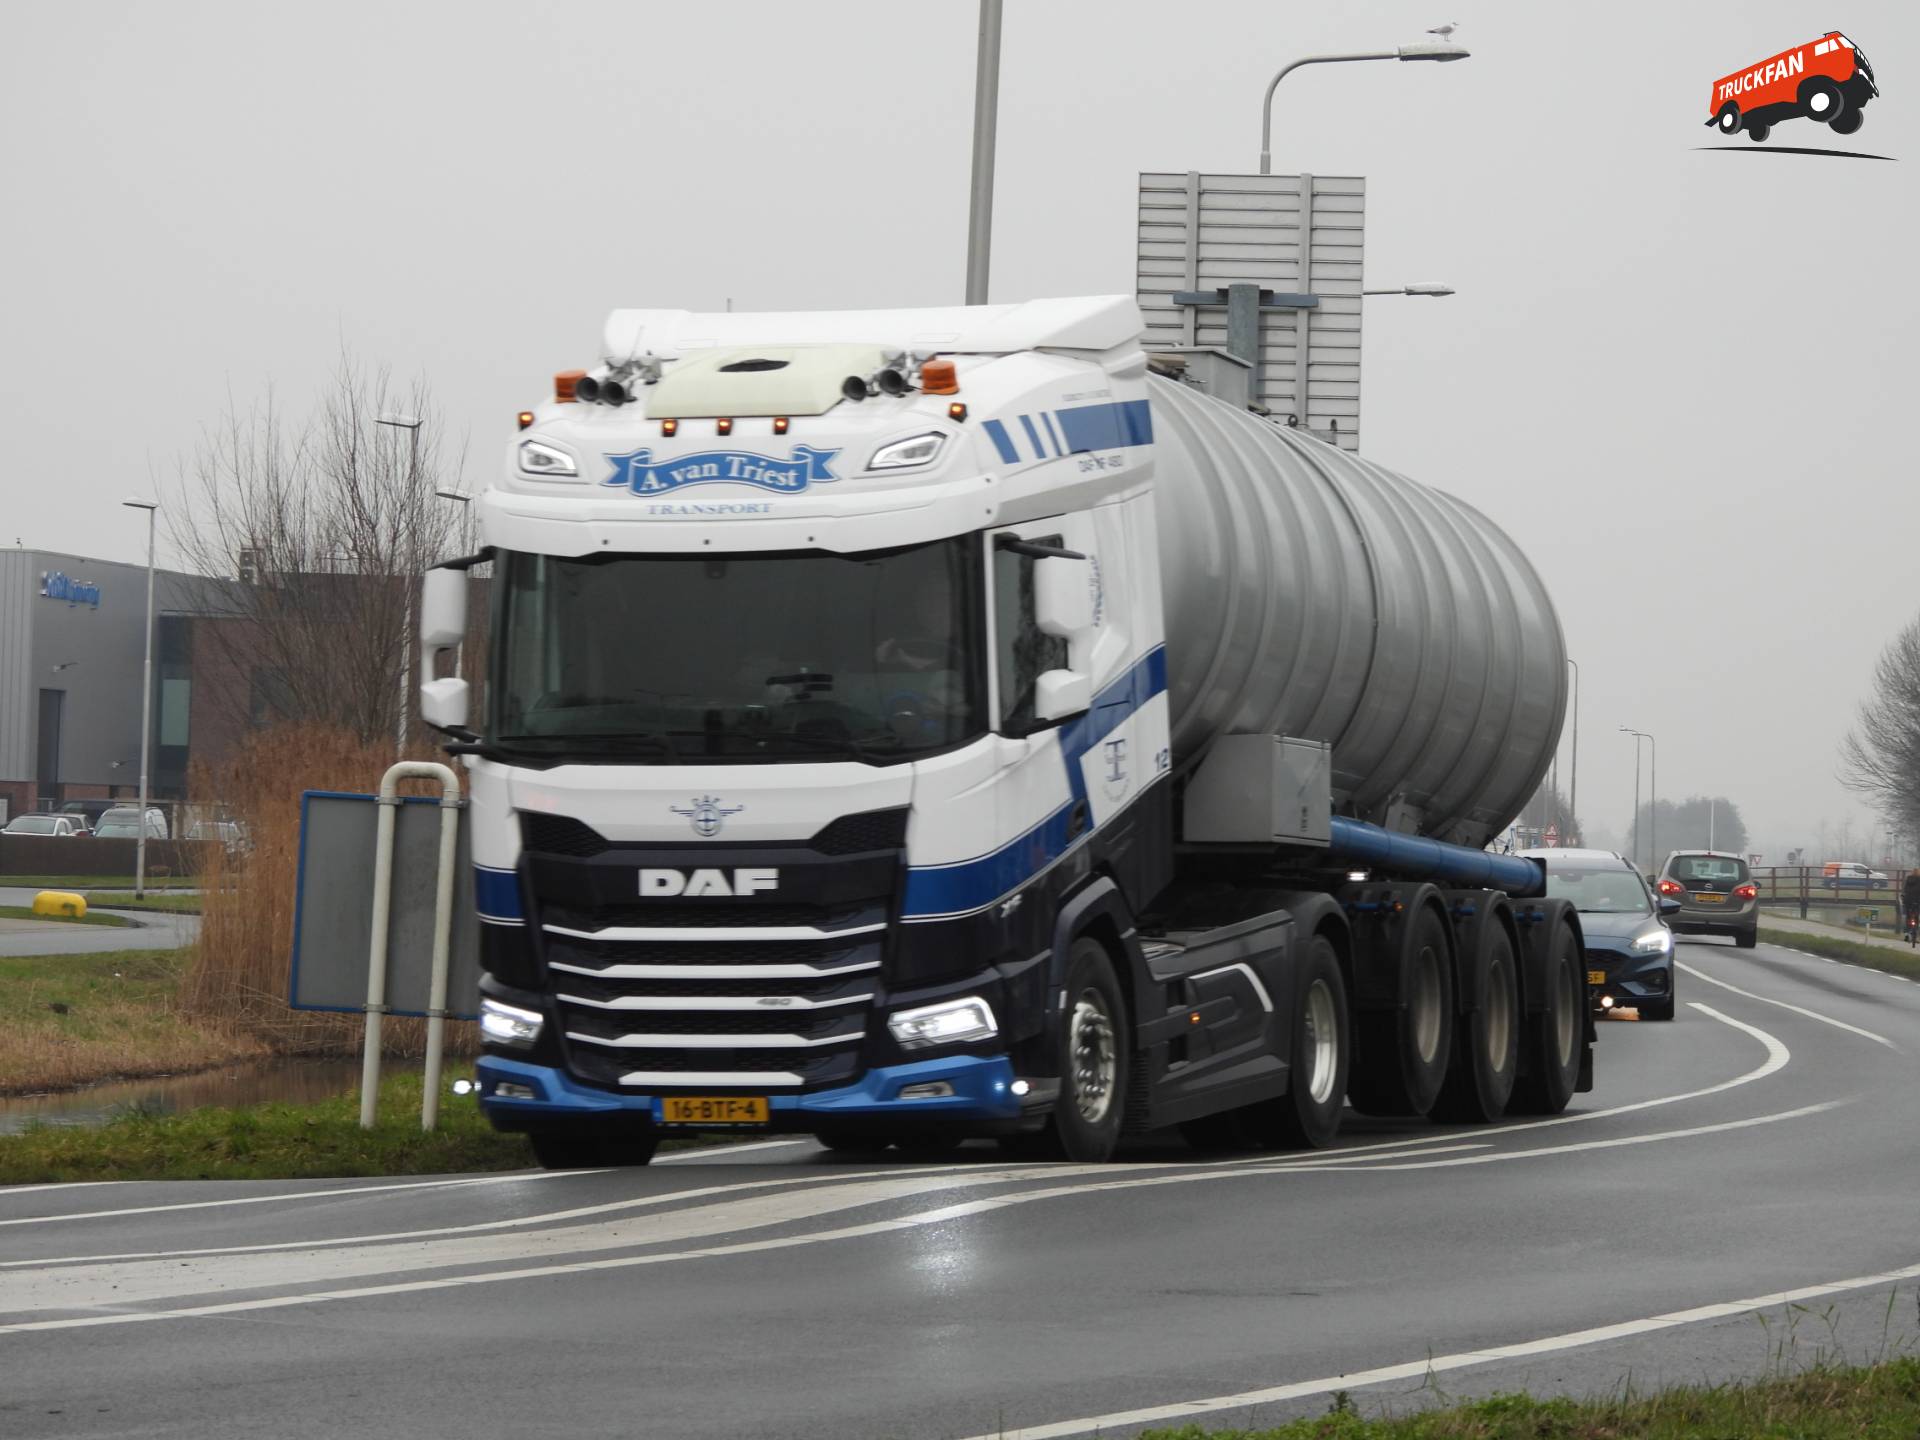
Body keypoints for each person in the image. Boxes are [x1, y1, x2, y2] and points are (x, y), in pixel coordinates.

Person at [1902, 868, 1920, 939]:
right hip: (1917, 900)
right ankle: (1915, 932)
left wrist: (1903, 896)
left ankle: (1906, 933)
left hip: (1908, 900)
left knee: (1908, 917)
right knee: (1916, 916)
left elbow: (1905, 889)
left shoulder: (1908, 879)